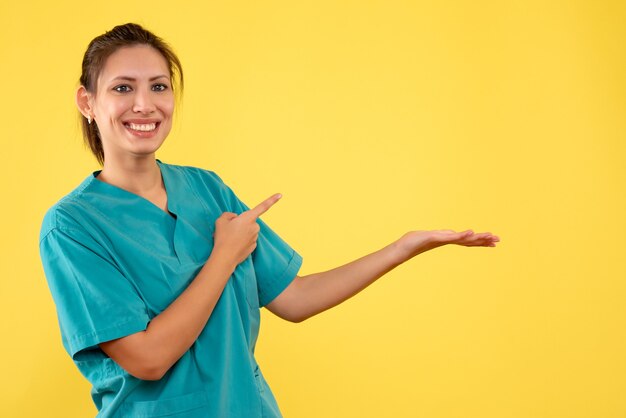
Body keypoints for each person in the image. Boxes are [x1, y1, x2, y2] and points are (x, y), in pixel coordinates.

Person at [39, 23, 499, 418]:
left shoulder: (206, 190)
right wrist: (223, 255)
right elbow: (149, 359)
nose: (145, 104)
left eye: (159, 86)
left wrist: (403, 247)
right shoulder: (73, 226)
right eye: (123, 88)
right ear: (87, 101)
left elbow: (294, 298)